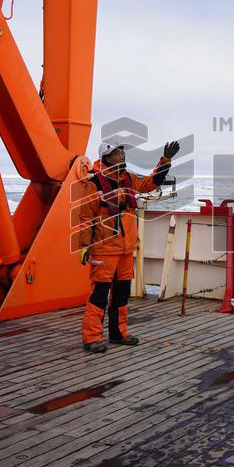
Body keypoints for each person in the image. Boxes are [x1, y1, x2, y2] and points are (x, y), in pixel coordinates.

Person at [76, 140, 180, 352]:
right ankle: (92, 337)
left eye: (122, 153)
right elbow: (86, 218)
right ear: (106, 157)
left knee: (122, 293)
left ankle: (118, 333)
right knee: (99, 295)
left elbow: (152, 182)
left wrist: (166, 161)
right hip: (104, 250)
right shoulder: (94, 183)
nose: (121, 156)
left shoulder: (129, 179)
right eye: (116, 153)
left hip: (125, 249)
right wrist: (84, 246)